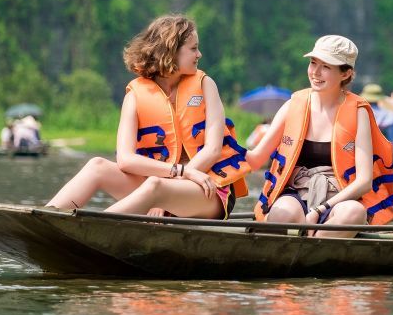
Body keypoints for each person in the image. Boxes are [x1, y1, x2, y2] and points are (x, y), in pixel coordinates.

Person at [46, 15, 250, 219]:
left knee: (156, 185)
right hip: (160, 187)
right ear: (170, 51)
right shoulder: (135, 96)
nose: (200, 54)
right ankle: (45, 218)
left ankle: (86, 228)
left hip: (209, 191)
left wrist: (168, 191)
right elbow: (125, 160)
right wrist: (179, 173)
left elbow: (213, 150)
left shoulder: (206, 85)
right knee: (96, 166)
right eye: (193, 48)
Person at [246, 35, 393, 238]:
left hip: (339, 197)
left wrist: (319, 210)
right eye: (313, 63)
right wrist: (217, 149)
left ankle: (315, 254)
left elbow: (364, 181)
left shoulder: (358, 112)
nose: (315, 73)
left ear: (346, 73)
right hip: (298, 191)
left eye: (326, 67)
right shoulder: (294, 105)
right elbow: (256, 158)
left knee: (355, 212)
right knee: (281, 212)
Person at [360, 83, 393, 163]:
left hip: (363, 159)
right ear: (379, 98)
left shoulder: (358, 115)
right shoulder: (390, 116)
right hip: (386, 161)